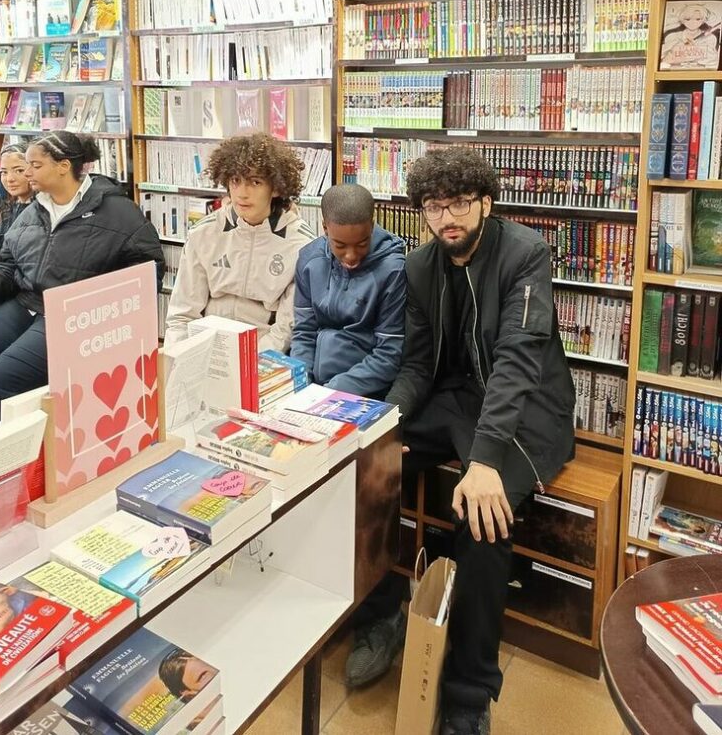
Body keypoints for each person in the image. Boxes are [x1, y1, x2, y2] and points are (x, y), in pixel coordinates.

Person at [347, 148, 574, 735]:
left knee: (482, 518)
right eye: (434, 205)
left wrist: (486, 460)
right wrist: (385, 423)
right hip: (455, 398)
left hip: (526, 412)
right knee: (366, 467)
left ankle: (469, 694)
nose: (447, 216)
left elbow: (518, 363)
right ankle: (377, 619)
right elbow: (418, 366)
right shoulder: (421, 267)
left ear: (486, 202)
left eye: (460, 203)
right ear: (421, 209)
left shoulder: (525, 253)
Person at [0, 131, 164, 428]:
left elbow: (148, 272)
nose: (26, 172)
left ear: (63, 166)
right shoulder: (32, 212)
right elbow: (8, 271)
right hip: (25, 304)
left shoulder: (118, 212)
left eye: (34, 165)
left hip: (71, 316)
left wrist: (98, 309)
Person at [163, 133, 316, 353]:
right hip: (205, 348)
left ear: (276, 188)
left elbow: (285, 330)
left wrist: (247, 364)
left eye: (255, 182)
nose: (242, 193)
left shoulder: (302, 245)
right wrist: (177, 359)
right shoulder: (203, 233)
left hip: (263, 353)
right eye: (235, 181)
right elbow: (182, 315)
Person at [290, 183, 406, 397]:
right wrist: (300, 380)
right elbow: (304, 332)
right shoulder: (309, 260)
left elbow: (389, 353)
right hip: (313, 385)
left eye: (362, 244)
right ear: (325, 228)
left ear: (372, 226)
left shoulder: (392, 270)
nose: (351, 256)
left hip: (363, 388)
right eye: (340, 246)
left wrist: (332, 391)